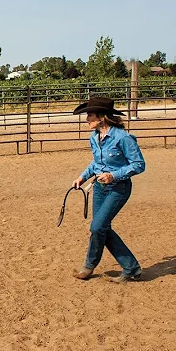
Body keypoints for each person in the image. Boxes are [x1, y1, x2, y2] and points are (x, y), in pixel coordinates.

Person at [71, 97, 146, 283]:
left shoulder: (123, 138)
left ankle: (92, 266)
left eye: (90, 115)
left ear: (102, 117)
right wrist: (83, 177)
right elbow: (96, 163)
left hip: (118, 188)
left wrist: (114, 175)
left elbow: (139, 165)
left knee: (97, 227)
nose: (87, 118)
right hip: (99, 188)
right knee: (101, 228)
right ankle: (129, 268)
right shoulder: (94, 137)